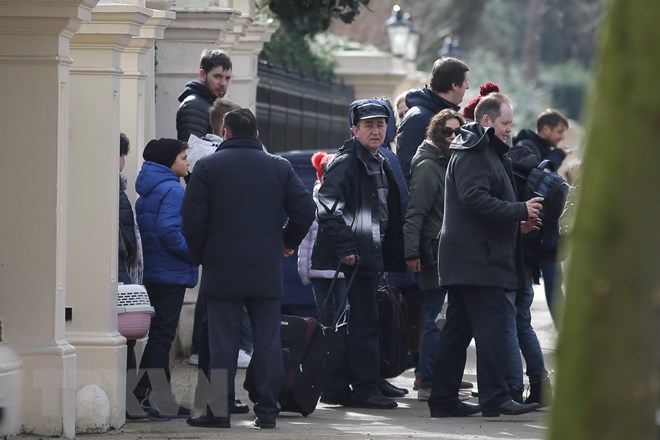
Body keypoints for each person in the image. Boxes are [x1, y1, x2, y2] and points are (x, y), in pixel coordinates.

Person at [182, 108, 315, 429]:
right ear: (257, 134)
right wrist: (286, 241)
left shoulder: (207, 167)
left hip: (221, 266)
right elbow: (306, 209)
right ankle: (267, 411)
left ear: (224, 131)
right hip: (265, 268)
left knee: (221, 343)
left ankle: (218, 412)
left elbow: (192, 220)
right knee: (267, 341)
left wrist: (203, 254)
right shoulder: (278, 167)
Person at [428, 93, 542, 418]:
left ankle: (443, 399)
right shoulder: (475, 152)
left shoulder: (483, 151)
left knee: (457, 332)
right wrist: (519, 209)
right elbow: (474, 199)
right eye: (506, 123)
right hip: (477, 262)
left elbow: (478, 209)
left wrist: (516, 223)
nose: (510, 130)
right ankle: (494, 398)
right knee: (491, 331)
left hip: (473, 259)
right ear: (487, 121)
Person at [312, 102, 406, 410]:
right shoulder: (348, 161)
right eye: (369, 125)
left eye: (380, 124)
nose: (376, 130)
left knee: (361, 323)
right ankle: (364, 389)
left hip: (369, 258)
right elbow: (326, 205)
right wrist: (347, 248)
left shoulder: (377, 160)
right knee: (363, 324)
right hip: (355, 259)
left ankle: (345, 386)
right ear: (355, 129)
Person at [403, 109, 473, 401]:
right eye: (447, 131)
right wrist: (412, 252)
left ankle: (438, 376)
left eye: (458, 131)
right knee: (434, 317)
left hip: (443, 249)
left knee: (443, 316)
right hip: (433, 251)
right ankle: (428, 380)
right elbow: (415, 212)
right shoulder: (429, 165)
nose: (453, 136)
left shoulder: (445, 160)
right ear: (435, 132)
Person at [133, 138, 199, 420]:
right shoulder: (173, 190)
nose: (187, 162)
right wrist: (193, 253)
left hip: (154, 271)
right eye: (183, 157)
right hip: (170, 272)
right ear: (168, 161)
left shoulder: (150, 189)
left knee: (158, 336)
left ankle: (155, 398)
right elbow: (169, 231)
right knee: (162, 338)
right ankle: (142, 396)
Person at [510, 109, 571, 329]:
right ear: (545, 129)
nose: (562, 137)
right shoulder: (528, 145)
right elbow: (539, 175)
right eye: (559, 131)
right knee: (553, 284)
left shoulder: (541, 147)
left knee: (555, 282)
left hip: (539, 229)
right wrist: (559, 156)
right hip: (536, 231)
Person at [396, 57, 470, 183]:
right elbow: (406, 171)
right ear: (454, 85)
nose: (467, 87)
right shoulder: (417, 119)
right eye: (465, 82)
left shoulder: (439, 114)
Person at [297, 152, 347, 326]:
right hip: (318, 267)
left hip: (342, 267)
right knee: (323, 312)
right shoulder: (313, 204)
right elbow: (305, 240)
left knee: (343, 312)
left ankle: (341, 347)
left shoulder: (346, 203)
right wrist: (304, 270)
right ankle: (324, 348)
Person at [119, 133, 145, 420]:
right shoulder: (118, 192)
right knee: (127, 341)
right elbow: (126, 243)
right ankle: (130, 402)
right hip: (121, 276)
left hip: (120, 272)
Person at [176, 49, 232, 142]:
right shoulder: (194, 106)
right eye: (217, 76)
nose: (223, 83)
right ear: (202, 74)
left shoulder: (209, 104)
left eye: (227, 78)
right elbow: (192, 151)